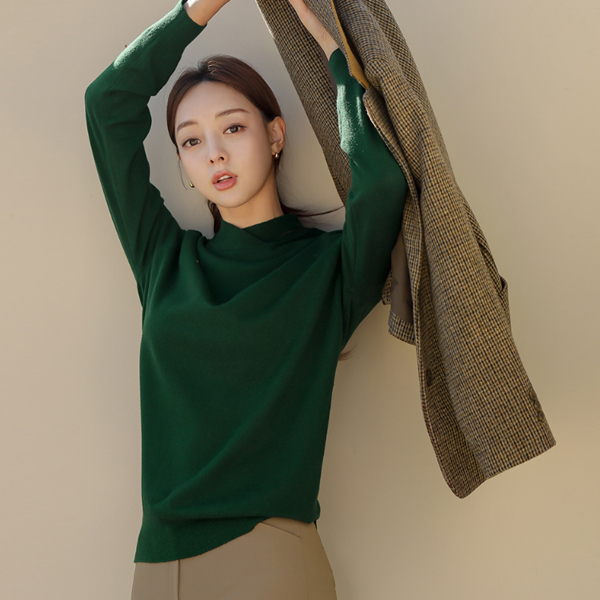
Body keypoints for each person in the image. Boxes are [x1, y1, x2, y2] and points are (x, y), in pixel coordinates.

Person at [84, 0, 408, 598]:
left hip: (269, 559)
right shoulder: (164, 260)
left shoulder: (328, 269)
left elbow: (383, 181)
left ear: (275, 134)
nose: (214, 152)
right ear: (183, 165)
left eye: (233, 127)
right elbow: (106, 103)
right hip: (155, 567)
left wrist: (336, 57)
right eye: (191, 140)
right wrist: (198, 8)